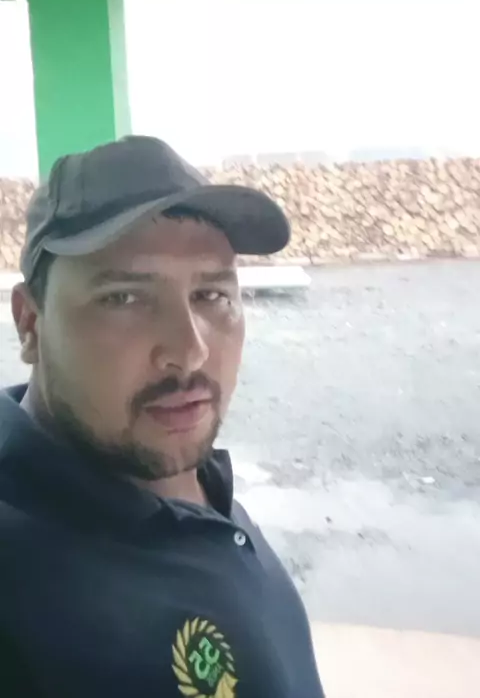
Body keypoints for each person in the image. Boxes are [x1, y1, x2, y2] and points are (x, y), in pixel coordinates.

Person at [0, 136, 325, 697]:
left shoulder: (201, 486)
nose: (190, 351)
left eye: (211, 296)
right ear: (30, 324)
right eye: (124, 298)